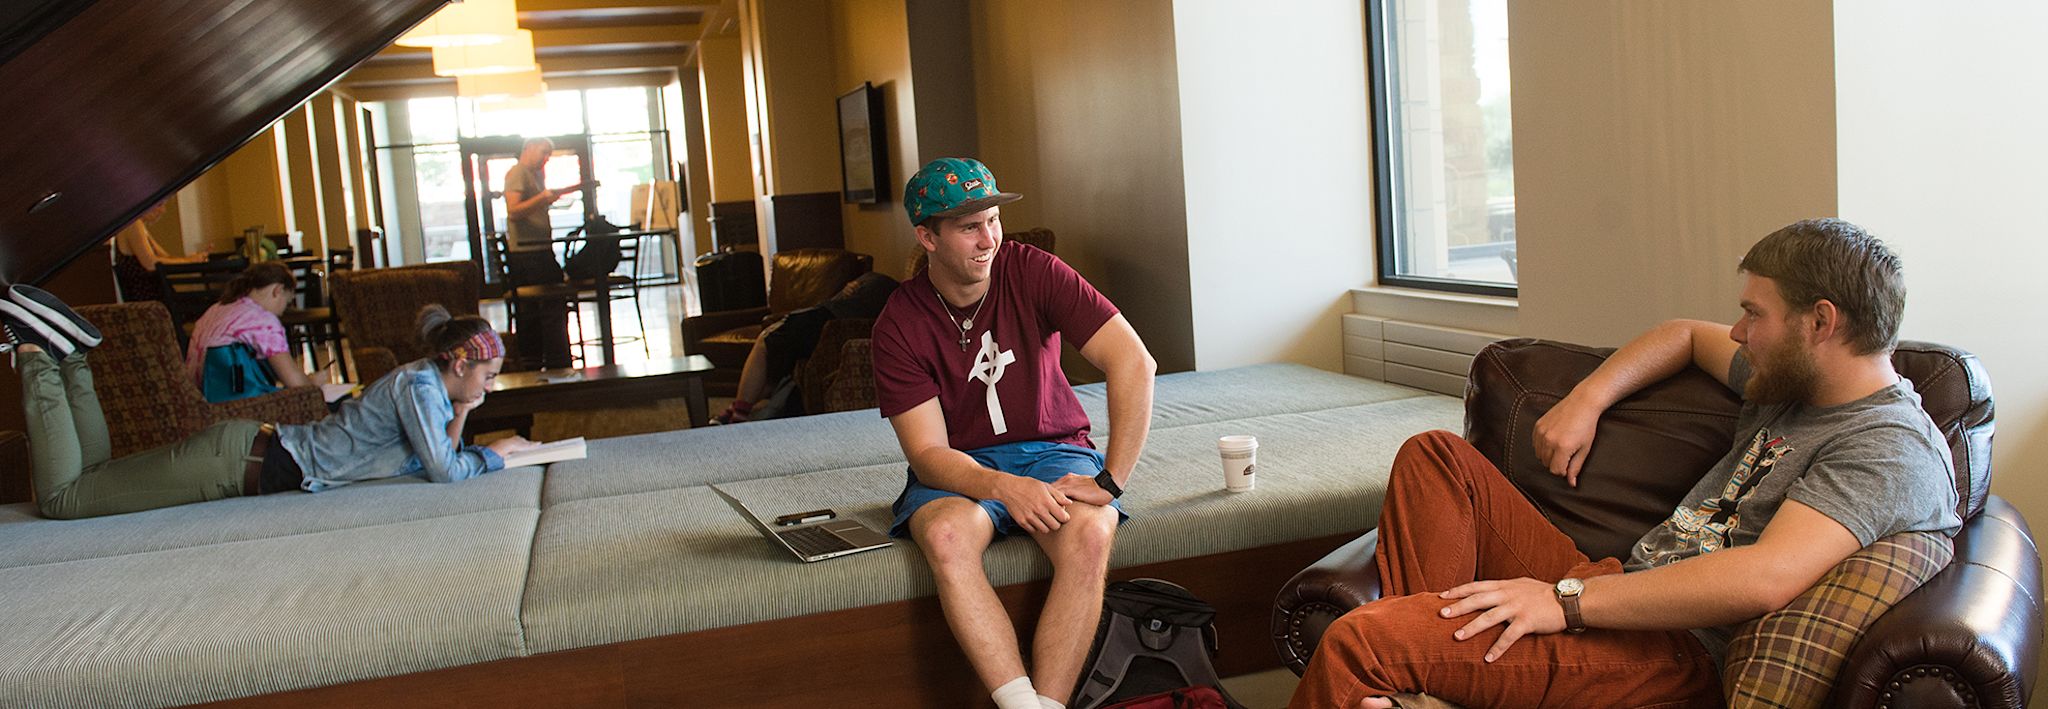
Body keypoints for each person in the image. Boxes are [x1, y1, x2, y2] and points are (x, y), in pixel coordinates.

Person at [1292, 218, 1963, 709]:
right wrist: (1587, 399)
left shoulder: (1886, 447)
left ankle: (1413, 664)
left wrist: (1564, 601)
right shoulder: (1796, 381)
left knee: (1362, 641)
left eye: (1753, 314)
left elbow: (1765, 577)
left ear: (1820, 322)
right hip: (1621, 587)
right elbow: (1683, 334)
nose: (1737, 332)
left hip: (1672, 648)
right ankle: (1435, 677)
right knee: (1436, 456)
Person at [872, 158, 1157, 709]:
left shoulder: (1034, 270)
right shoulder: (899, 322)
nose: (989, 240)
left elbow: (1133, 361)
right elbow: (928, 453)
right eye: (969, 227)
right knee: (946, 536)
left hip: (1054, 449)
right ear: (927, 237)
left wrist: (1112, 479)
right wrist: (1004, 488)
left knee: (1091, 533)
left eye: (993, 220)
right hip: (961, 464)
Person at [2, 285, 536, 521]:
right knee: (64, 500)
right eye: (488, 376)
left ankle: (71, 354)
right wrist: (495, 453)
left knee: (93, 476)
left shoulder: (430, 389)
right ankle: (34, 349)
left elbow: (435, 456)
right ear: (458, 364)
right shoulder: (418, 387)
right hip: (235, 464)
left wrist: (465, 412)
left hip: (244, 455)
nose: (490, 387)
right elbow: (444, 470)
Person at [714, 271, 898, 423]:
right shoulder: (883, 290)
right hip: (833, 318)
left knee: (765, 341)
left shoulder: (880, 287)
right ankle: (738, 409)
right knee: (778, 365)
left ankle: (739, 412)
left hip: (826, 319)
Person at [184, 261, 312, 402]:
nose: (282, 313)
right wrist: (312, 382)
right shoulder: (262, 320)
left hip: (198, 398)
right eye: (287, 303)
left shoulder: (216, 308)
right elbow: (295, 383)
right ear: (278, 290)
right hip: (233, 401)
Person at [502, 136, 574, 369]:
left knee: (544, 308)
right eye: (544, 152)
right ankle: (558, 363)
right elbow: (513, 210)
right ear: (529, 148)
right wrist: (542, 198)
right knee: (551, 306)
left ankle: (544, 361)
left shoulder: (531, 175)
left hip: (536, 252)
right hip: (530, 255)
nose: (546, 158)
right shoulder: (518, 173)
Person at [111, 200, 206, 302]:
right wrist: (189, 261)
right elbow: (150, 263)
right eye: (159, 205)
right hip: (147, 299)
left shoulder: (140, 226)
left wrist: (192, 258)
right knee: (202, 301)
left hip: (154, 295)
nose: (162, 210)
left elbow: (165, 257)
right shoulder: (133, 224)